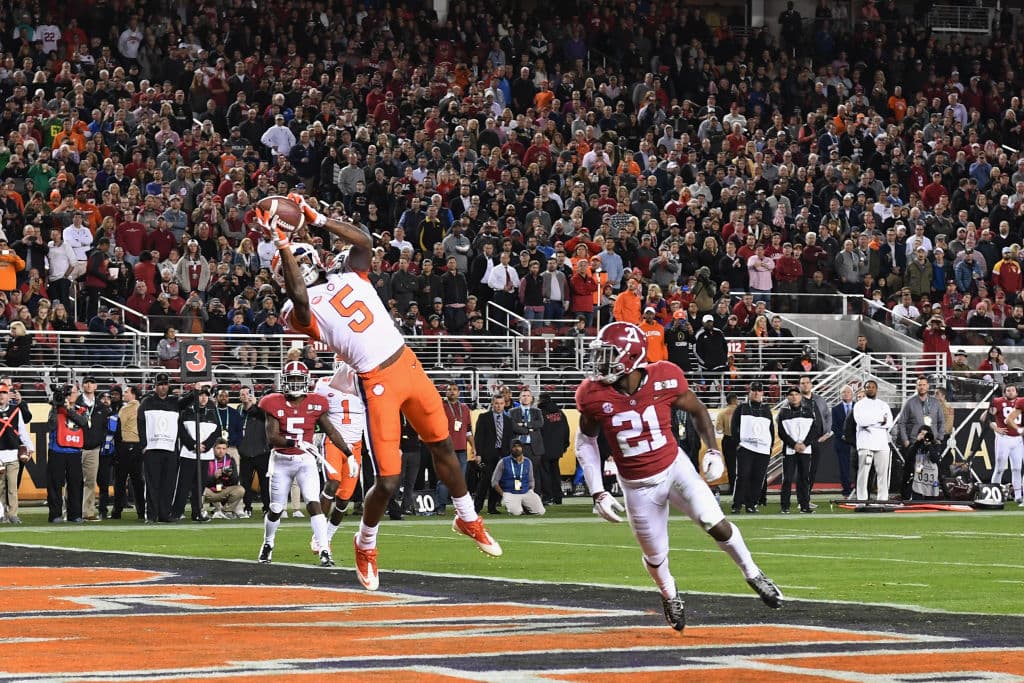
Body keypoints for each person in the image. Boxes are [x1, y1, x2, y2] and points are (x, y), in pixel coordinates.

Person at [259, 194, 501, 591]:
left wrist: (317, 217)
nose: (303, 268)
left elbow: (365, 242)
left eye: (304, 259)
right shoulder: (297, 310)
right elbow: (301, 300)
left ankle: (467, 516)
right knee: (387, 480)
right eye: (294, 265)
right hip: (377, 383)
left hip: (408, 364)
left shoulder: (349, 274)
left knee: (442, 445)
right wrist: (283, 244)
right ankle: (365, 543)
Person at [576, 322, 782, 632]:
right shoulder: (592, 395)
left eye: (608, 355)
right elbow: (585, 441)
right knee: (655, 555)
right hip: (636, 485)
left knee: (715, 523)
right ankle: (669, 594)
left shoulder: (665, 376)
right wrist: (597, 491)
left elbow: (699, 411)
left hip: (675, 468)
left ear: (630, 357)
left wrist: (713, 450)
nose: (600, 363)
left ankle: (753, 573)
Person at [257, 361, 353, 567]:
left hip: (306, 460)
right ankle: (268, 543)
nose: (293, 383)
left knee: (313, 503)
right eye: (290, 379)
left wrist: (348, 453)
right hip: (281, 460)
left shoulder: (316, 403)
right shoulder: (272, 402)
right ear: (283, 381)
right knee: (275, 508)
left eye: (297, 379)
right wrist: (295, 442)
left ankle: (324, 550)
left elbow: (332, 432)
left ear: (306, 381)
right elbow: (272, 437)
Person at [310, 361, 366, 554]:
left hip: (356, 445)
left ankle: (328, 535)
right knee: (332, 483)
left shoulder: (363, 383)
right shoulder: (324, 383)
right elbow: (313, 411)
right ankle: (318, 536)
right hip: (333, 443)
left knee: (344, 498)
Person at [171, 386, 219, 523]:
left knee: (200, 486)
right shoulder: (186, 412)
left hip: (205, 455)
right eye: (200, 395)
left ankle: (197, 512)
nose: (203, 398)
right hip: (188, 454)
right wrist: (193, 445)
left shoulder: (212, 412)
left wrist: (207, 446)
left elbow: (216, 432)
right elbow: (181, 431)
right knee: (183, 485)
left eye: (206, 395)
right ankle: (176, 512)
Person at [139, 372, 182, 523]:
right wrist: (144, 445)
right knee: (152, 484)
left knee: (168, 484)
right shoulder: (147, 402)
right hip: (152, 448)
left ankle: (164, 514)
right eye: (160, 385)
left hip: (170, 449)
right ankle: (151, 515)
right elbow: (140, 423)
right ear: (155, 386)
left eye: (165, 384)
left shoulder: (174, 402)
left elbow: (190, 401)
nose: (163, 387)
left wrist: (196, 389)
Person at [895, 376, 945, 500]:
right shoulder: (910, 402)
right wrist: (906, 440)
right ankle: (911, 495)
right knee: (916, 470)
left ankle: (933, 495)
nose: (921, 387)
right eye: (919, 385)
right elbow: (902, 422)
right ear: (916, 387)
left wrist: (939, 437)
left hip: (932, 443)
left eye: (923, 384)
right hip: (915, 443)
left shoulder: (935, 403)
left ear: (928, 386)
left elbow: (941, 421)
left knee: (933, 469)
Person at [731, 382, 775, 514]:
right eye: (754, 390)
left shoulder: (766, 409)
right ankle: (737, 504)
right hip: (746, 447)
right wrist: (738, 442)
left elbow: (771, 428)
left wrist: (770, 446)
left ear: (762, 393)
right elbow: (734, 426)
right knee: (743, 476)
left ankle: (752, 504)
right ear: (749, 392)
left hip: (763, 449)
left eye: (759, 390)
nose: (756, 393)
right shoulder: (742, 408)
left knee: (758, 478)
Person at [46, 384, 88, 523]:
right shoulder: (56, 409)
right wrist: (55, 407)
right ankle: (55, 514)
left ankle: (75, 514)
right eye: (68, 393)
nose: (71, 395)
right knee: (55, 484)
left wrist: (68, 409)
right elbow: (51, 425)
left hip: (74, 451)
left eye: (73, 392)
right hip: (57, 450)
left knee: (75, 484)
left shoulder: (82, 409)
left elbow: (84, 423)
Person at [777, 387, 822, 514]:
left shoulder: (808, 411)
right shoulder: (783, 413)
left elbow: (814, 430)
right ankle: (785, 506)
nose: (794, 397)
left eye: (796, 394)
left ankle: (804, 505)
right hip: (790, 450)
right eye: (791, 394)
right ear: (787, 397)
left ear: (800, 396)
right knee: (787, 478)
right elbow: (781, 432)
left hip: (805, 450)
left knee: (804, 478)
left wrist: (804, 444)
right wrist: (793, 444)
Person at [77, 376, 112, 522]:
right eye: (86, 382)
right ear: (82, 385)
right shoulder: (76, 404)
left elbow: (105, 427)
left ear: (96, 386)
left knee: (90, 481)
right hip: (77, 448)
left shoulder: (101, 407)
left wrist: (100, 441)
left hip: (94, 449)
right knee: (73, 481)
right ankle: (72, 510)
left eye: (91, 383)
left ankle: (88, 512)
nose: (89, 385)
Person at [853, 379, 894, 502]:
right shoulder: (859, 404)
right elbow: (861, 421)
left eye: (872, 387)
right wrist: (879, 419)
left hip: (882, 444)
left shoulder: (883, 404)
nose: (870, 389)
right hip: (865, 444)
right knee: (863, 474)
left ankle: (882, 499)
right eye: (867, 387)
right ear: (864, 389)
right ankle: (862, 500)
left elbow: (889, 422)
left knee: (882, 474)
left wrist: (872, 422)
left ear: (876, 389)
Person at [473, 393, 514, 514]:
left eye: (501, 404)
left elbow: (510, 438)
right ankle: (476, 507)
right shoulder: (484, 417)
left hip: (503, 455)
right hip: (487, 454)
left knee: (498, 482)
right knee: (484, 482)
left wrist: (509, 455)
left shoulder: (508, 420)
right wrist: (478, 454)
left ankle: (492, 507)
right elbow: (479, 437)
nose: (499, 406)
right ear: (492, 403)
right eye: (496, 403)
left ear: (504, 404)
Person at [438, 383, 475, 515]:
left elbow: (468, 430)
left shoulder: (465, 408)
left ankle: (458, 507)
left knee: (460, 481)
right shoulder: (441, 407)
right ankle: (441, 507)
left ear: (459, 392)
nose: (452, 392)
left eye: (455, 390)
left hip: (462, 450)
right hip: (446, 449)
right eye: (449, 390)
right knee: (444, 479)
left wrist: (474, 447)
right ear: (445, 392)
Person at [0, 382, 34, 524]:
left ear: (8, 395)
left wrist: (29, 446)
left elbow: (21, 431)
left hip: (13, 453)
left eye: (3, 393)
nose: (1, 396)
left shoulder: (16, 410)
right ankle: (1, 514)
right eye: (0, 393)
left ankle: (13, 514)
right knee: (0, 487)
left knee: (12, 487)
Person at [113, 384, 146, 520]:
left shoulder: (125, 409)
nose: (124, 394)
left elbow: (118, 427)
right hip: (139, 446)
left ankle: (117, 511)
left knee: (120, 480)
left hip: (126, 445)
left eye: (127, 392)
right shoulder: (142, 407)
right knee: (138, 481)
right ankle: (141, 511)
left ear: (133, 394)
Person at [237, 387, 270, 518]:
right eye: (242, 394)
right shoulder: (239, 411)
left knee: (265, 483)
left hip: (261, 452)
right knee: (246, 483)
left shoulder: (261, 410)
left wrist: (256, 404)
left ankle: (267, 507)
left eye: (247, 394)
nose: (245, 396)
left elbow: (265, 418)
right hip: (245, 453)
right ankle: (247, 507)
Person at [798, 374, 832, 500]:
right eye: (802, 383)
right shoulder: (796, 400)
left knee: (813, 470)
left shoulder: (819, 399)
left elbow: (828, 415)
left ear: (811, 385)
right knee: (803, 471)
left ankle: (806, 497)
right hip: (802, 441)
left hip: (817, 440)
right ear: (799, 385)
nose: (805, 384)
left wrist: (827, 433)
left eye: (807, 382)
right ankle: (802, 498)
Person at [492, 439, 545, 515]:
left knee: (540, 512)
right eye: (514, 446)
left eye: (519, 446)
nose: (517, 448)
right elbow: (494, 482)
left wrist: (531, 491)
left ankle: (525, 506)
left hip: (525, 491)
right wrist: (504, 495)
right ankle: (516, 506)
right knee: (516, 512)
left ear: (522, 448)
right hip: (510, 493)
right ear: (510, 449)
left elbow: (531, 480)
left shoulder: (528, 461)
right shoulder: (503, 461)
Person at [509, 388, 546, 496]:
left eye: (528, 396)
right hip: (518, 447)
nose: (525, 398)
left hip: (534, 447)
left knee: (534, 473)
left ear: (531, 398)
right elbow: (514, 427)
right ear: (519, 398)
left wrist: (524, 424)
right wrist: (528, 430)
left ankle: (536, 496)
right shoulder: (513, 412)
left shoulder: (537, 411)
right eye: (523, 396)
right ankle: (518, 495)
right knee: (517, 473)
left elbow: (540, 424)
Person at [992, 385, 1024, 504]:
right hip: (1004, 438)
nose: (1011, 392)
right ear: (1004, 392)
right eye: (1008, 390)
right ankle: (993, 493)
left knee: (1017, 468)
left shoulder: (1020, 402)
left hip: (1018, 439)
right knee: (1000, 468)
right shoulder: (998, 401)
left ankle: (1018, 496)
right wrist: (996, 428)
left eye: (1013, 390)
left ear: (1017, 391)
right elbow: (986, 418)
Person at [537, 392, 569, 505]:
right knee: (555, 472)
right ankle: (557, 497)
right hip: (557, 449)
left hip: (544, 449)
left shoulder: (540, 413)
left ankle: (547, 497)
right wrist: (565, 445)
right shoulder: (560, 413)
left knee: (545, 473)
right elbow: (566, 430)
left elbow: (538, 432)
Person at [204, 439, 246, 518]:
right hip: (209, 491)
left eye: (224, 449)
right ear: (213, 449)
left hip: (223, 490)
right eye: (218, 448)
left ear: (227, 449)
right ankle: (201, 511)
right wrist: (214, 476)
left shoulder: (230, 460)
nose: (221, 451)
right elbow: (201, 481)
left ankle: (226, 511)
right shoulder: (206, 460)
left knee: (240, 489)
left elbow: (235, 481)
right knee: (198, 489)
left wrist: (230, 476)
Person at [831, 385, 856, 498]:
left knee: (858, 466)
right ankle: (846, 491)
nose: (846, 394)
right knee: (844, 468)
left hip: (857, 443)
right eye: (843, 392)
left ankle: (859, 489)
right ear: (840, 395)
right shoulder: (835, 409)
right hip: (841, 443)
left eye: (848, 392)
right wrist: (843, 436)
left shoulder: (859, 406)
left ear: (852, 394)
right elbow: (834, 427)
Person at [715, 393, 740, 495]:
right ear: (735, 400)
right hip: (740, 440)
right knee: (742, 465)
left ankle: (732, 488)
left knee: (730, 466)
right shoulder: (741, 411)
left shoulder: (722, 413)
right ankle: (741, 489)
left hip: (728, 440)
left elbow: (718, 429)